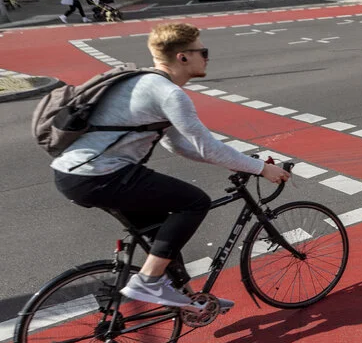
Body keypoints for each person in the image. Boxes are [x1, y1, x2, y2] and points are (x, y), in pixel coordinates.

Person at [51, 22, 292, 311]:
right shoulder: (169, 94)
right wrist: (260, 168)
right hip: (102, 175)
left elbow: (178, 145)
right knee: (194, 202)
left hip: (75, 174)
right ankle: (148, 282)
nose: (206, 57)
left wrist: (237, 163)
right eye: (203, 51)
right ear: (183, 57)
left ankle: (189, 300)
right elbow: (208, 147)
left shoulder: (143, 81)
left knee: (162, 236)